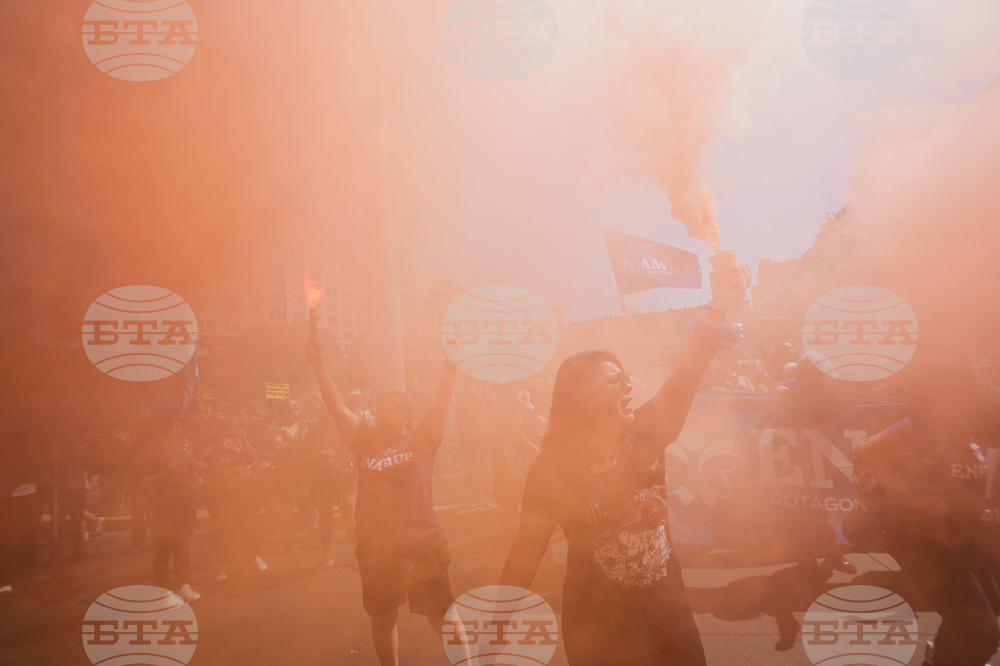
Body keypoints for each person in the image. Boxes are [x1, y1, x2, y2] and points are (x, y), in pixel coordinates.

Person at [501, 260, 750, 666]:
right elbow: (526, 550)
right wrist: (499, 615)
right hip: (597, 633)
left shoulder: (646, 435)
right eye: (615, 380)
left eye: (626, 376)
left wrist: (718, 308)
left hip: (670, 621)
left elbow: (686, 375)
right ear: (582, 402)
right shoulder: (551, 471)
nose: (629, 384)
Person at [307, 340, 457, 666]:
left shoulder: (421, 439)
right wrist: (320, 369)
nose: (382, 415)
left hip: (422, 543)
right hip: (378, 548)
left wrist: (450, 368)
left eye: (389, 409)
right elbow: (337, 408)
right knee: (383, 616)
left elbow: (442, 404)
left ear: (406, 414)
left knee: (442, 616)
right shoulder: (365, 440)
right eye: (378, 410)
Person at [852, 366, 1000, 666]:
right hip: (923, 541)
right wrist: (915, 500)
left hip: (956, 538)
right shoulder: (925, 425)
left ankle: (945, 656)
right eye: (970, 390)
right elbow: (867, 452)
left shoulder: (965, 426)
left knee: (981, 612)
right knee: (982, 630)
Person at [134, 414, 205, 603]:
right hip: (161, 506)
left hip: (187, 503)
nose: (174, 430)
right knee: (164, 547)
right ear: (161, 429)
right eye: (170, 427)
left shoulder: (187, 447)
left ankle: (183, 585)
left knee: (184, 544)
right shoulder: (150, 450)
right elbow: (141, 481)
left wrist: (193, 463)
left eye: (177, 427)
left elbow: (203, 468)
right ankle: (163, 592)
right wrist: (165, 474)